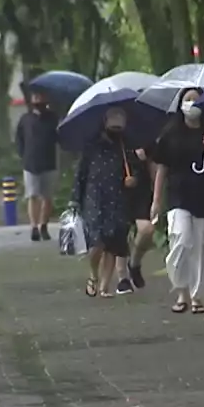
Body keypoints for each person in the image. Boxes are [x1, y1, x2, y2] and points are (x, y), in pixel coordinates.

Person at [151, 87, 204, 313]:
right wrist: (156, 200)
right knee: (182, 241)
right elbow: (161, 168)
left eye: (196, 99)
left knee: (201, 249)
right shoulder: (171, 133)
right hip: (178, 196)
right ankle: (180, 289)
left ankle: (196, 297)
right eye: (188, 99)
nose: (192, 103)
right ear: (180, 104)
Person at [72, 107, 136, 298]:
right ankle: (93, 274)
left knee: (113, 243)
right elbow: (81, 174)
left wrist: (133, 180)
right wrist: (75, 199)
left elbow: (136, 171)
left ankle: (104, 286)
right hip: (95, 197)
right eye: (113, 118)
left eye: (120, 117)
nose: (117, 122)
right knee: (97, 242)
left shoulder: (126, 146)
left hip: (118, 198)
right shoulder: (92, 145)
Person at [15, 92, 59, 241]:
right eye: (36, 97)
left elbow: (59, 137)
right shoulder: (25, 119)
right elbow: (19, 139)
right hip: (30, 163)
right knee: (32, 195)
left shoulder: (53, 118)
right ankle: (34, 226)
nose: (39, 100)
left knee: (48, 197)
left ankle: (44, 225)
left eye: (42, 97)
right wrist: (23, 155)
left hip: (49, 162)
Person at [115, 144, 156, 294]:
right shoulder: (114, 138)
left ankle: (134, 262)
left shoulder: (145, 137)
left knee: (147, 230)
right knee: (121, 233)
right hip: (118, 192)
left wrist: (145, 159)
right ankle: (122, 278)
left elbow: (155, 167)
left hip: (141, 193)